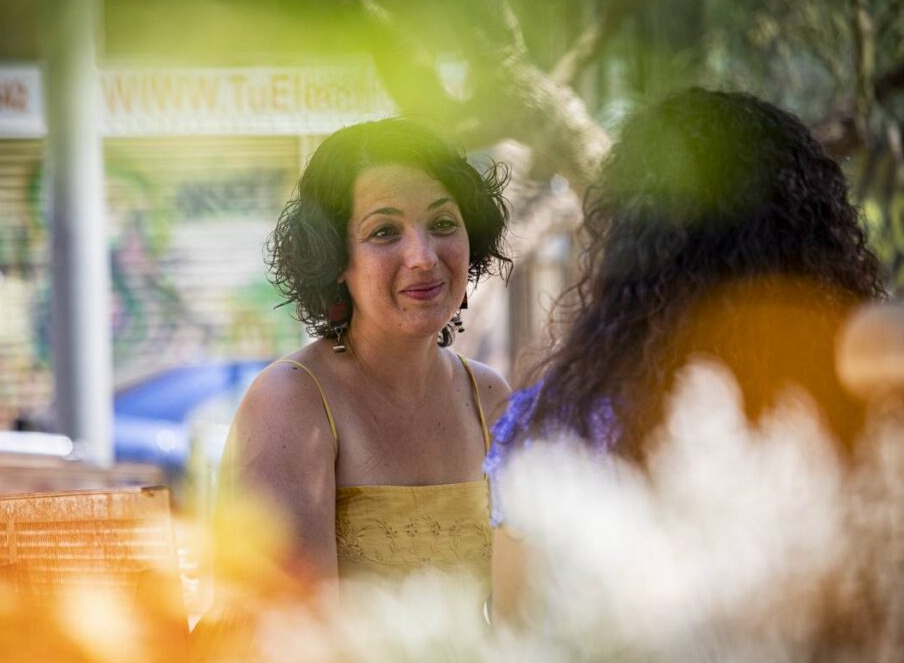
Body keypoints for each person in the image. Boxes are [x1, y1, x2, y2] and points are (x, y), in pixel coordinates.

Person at [485, 88, 887, 621]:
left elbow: (515, 629)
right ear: (814, 241)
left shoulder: (552, 425)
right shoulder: (861, 407)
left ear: (629, 245)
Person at [221, 118, 512, 595]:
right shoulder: (291, 400)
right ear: (334, 259)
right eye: (384, 231)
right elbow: (292, 626)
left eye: (442, 224)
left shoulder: (490, 396)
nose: (423, 257)